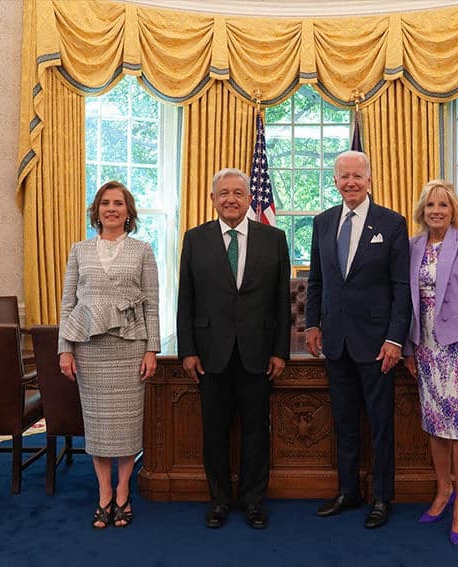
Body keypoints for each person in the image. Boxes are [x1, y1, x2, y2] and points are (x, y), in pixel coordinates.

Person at [177, 168, 290, 530]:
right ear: (213, 199)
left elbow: (280, 303)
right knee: (215, 431)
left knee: (257, 431)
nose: (230, 199)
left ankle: (254, 501)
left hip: (258, 353)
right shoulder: (195, 239)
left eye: (238, 193)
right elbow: (186, 301)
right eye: (223, 193)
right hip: (211, 355)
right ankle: (220, 500)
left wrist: (280, 351)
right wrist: (187, 351)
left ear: (248, 198)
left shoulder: (274, 239)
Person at [305, 150, 410, 529]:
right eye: (344, 176)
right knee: (344, 422)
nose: (351, 182)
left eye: (357, 176)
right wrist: (311, 324)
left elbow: (401, 289)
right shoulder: (322, 222)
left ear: (369, 180)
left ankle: (381, 496)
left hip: (378, 344)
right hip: (335, 342)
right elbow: (316, 281)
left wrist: (396, 340)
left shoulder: (391, 223)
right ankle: (348, 491)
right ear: (335, 181)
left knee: (381, 424)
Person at [58, 180, 160, 529]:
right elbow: (67, 302)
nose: (111, 208)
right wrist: (64, 349)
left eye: (118, 203)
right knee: (99, 426)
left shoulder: (143, 250)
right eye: (105, 203)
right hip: (89, 348)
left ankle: (123, 490)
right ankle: (104, 492)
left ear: (128, 211)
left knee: (128, 426)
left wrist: (151, 349)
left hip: (130, 347)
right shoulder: (79, 250)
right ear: (97, 210)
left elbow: (153, 304)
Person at [403, 179, 458, 546]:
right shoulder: (413, 246)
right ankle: (442, 492)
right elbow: (408, 301)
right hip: (425, 349)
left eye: (443, 205)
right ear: (422, 212)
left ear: (454, 210)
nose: (436, 211)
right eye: (430, 206)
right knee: (435, 424)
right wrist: (409, 349)